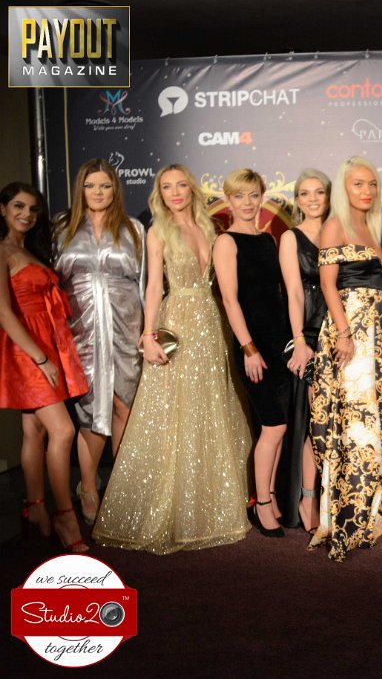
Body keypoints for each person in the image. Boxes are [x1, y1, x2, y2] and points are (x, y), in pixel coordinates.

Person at [93, 165, 251, 553]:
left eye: (181, 185)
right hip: (177, 321)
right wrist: (148, 335)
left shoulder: (211, 229)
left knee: (209, 408)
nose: (175, 192)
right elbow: (152, 287)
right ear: (159, 194)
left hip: (211, 323)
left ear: (192, 189)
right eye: (167, 187)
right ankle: (175, 510)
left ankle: (208, 506)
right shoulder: (158, 231)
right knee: (175, 413)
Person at [309, 157, 382, 561]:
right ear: (344, 188)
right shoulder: (334, 225)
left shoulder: (372, 226)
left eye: (371, 184)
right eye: (358, 184)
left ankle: (374, 508)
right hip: (351, 329)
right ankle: (352, 511)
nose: (367, 191)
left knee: (375, 414)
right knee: (356, 418)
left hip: (376, 332)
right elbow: (328, 285)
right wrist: (344, 333)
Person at [53, 158, 145, 525]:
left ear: (115, 190)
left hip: (126, 325)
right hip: (82, 329)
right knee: (92, 409)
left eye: (105, 185)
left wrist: (148, 331)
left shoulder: (133, 228)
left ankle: (121, 491)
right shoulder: (62, 227)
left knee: (124, 404)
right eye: (90, 185)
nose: (98, 192)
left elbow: (145, 282)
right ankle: (88, 488)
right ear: (80, 189)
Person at [0, 182, 89, 552]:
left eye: (33, 209)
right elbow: (3, 312)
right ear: (3, 209)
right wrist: (40, 358)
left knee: (34, 431)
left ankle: (35, 508)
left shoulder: (30, 249)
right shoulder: (2, 250)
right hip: (27, 350)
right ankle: (65, 514)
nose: (27, 214)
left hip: (46, 342)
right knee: (63, 431)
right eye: (18, 206)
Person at [212, 168, 291, 538]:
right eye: (239, 196)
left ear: (262, 197)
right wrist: (248, 348)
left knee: (279, 425)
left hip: (277, 343)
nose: (247, 202)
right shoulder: (226, 242)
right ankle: (260, 504)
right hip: (252, 345)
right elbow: (230, 300)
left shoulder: (268, 240)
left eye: (253, 195)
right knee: (272, 425)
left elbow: (276, 295)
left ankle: (269, 495)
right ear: (228, 200)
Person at [277, 168, 330, 532]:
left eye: (319, 192)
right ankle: (307, 497)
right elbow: (294, 293)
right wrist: (299, 340)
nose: (312, 199)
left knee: (335, 421)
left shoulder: (340, 231)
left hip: (341, 333)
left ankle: (336, 498)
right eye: (305, 193)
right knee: (312, 420)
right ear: (297, 200)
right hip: (308, 333)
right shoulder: (290, 238)